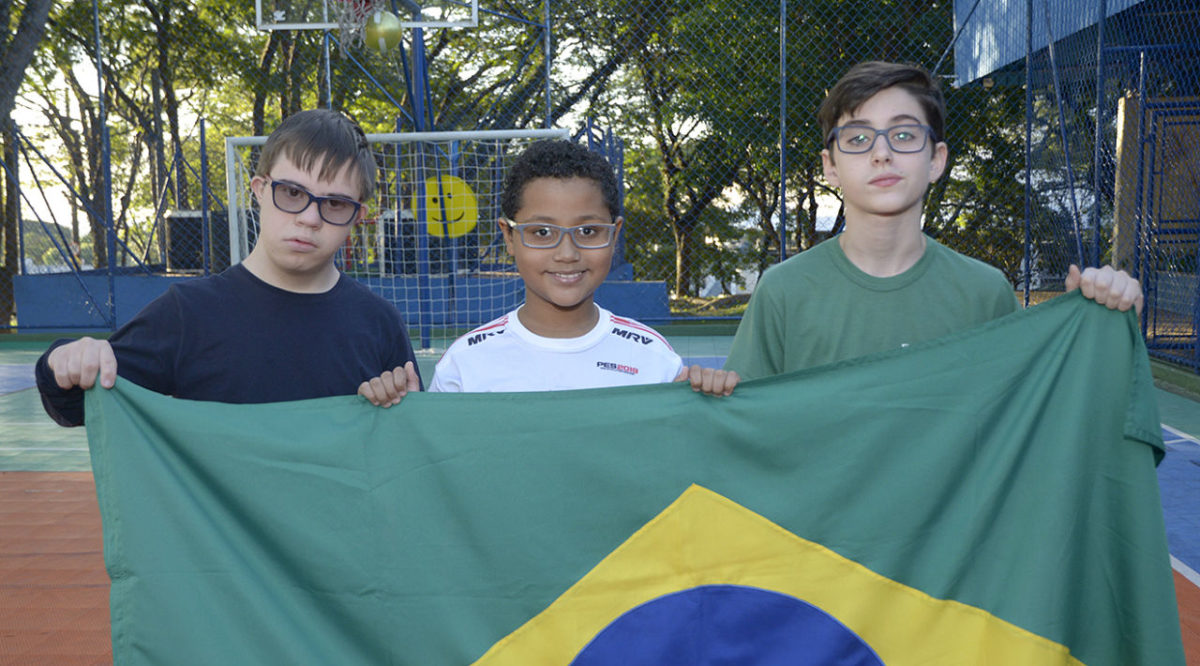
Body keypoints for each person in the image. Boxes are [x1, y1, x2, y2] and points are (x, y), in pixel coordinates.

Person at [724, 61, 1143, 379]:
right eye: (857, 138)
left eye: (904, 135)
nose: (881, 153)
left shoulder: (984, 294)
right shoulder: (784, 291)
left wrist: (1101, 325)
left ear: (937, 160)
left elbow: (1041, 425)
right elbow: (738, 431)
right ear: (830, 166)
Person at [37, 108, 422, 425]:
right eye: (292, 193)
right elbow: (73, 407)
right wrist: (64, 359)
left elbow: (413, 441)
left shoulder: (378, 322)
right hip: (220, 522)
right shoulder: (189, 313)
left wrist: (400, 403)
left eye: (335, 203)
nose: (309, 218)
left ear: (358, 217)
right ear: (259, 191)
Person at [358, 139, 737, 400]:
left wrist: (712, 402)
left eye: (588, 231)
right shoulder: (466, 363)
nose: (567, 252)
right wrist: (398, 414)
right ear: (508, 236)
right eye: (542, 232)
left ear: (615, 234)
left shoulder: (653, 359)